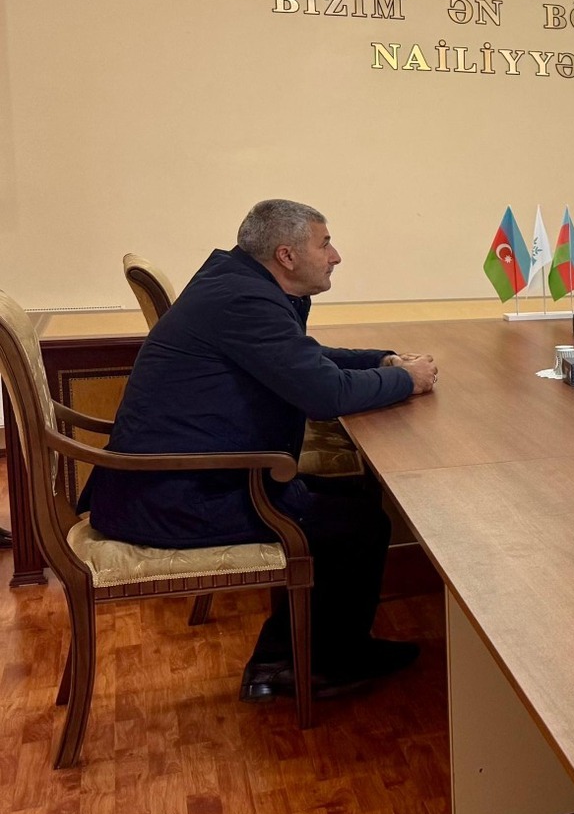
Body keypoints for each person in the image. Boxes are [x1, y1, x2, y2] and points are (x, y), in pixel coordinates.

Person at [81, 200, 439, 699]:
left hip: (177, 479)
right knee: (356, 525)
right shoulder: (243, 299)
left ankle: (292, 655)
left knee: (356, 497)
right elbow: (324, 395)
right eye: (325, 244)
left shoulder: (236, 283)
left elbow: (300, 358)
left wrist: (380, 360)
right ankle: (305, 666)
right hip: (177, 496)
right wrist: (407, 380)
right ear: (286, 255)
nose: (335, 255)